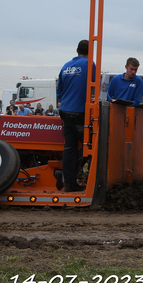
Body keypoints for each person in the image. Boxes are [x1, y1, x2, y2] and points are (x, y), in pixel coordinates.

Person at [57, 39, 91, 193]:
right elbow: (96, 89)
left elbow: (59, 91)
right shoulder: (90, 65)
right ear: (90, 52)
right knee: (90, 145)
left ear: (76, 50)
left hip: (65, 111)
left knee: (69, 147)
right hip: (79, 113)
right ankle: (91, 181)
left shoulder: (65, 66)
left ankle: (69, 183)